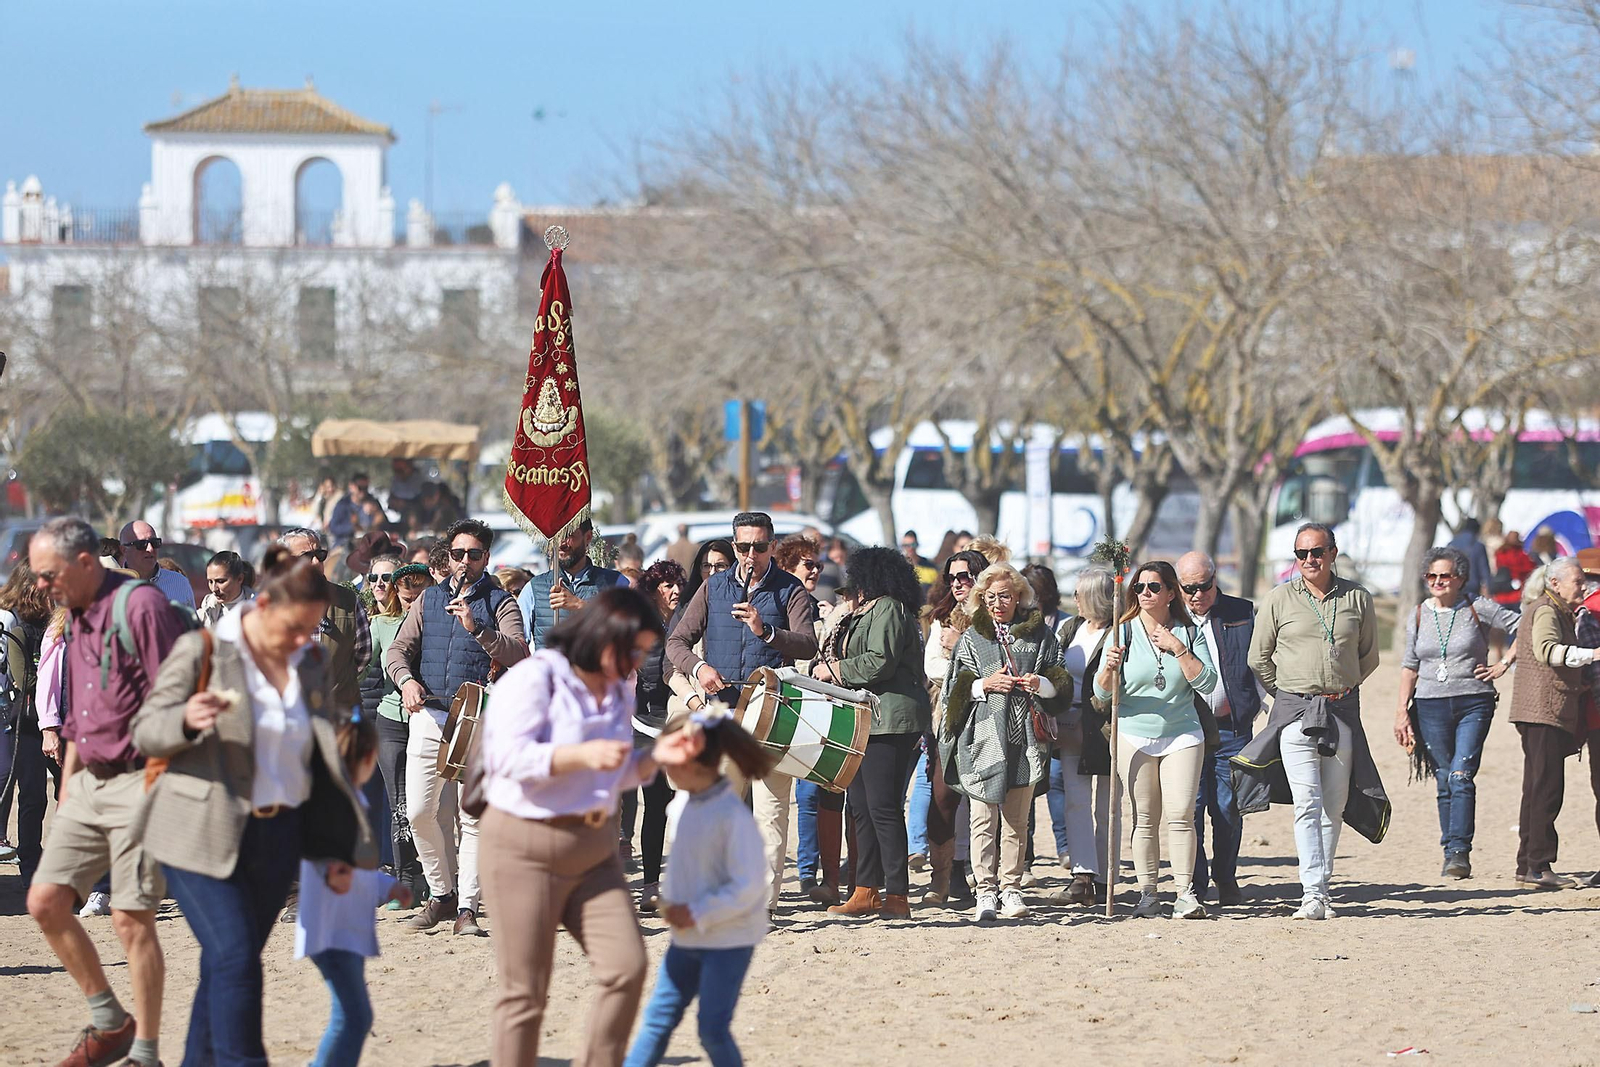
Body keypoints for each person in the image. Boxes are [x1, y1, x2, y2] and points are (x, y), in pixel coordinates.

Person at [132, 544, 378, 1067]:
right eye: (293, 627)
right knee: (237, 960)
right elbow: (147, 731)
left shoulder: (307, 661)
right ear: (263, 607)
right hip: (198, 834)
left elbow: (315, 760)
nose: (301, 640)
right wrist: (186, 720)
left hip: (276, 838)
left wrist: (337, 846)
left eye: (310, 629)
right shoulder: (203, 649)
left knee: (225, 966)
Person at [477, 587, 705, 1067]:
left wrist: (654, 760)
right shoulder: (536, 678)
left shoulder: (619, 686)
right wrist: (576, 756)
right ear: (602, 636)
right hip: (523, 846)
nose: (638, 662)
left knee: (626, 967)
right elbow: (503, 758)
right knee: (525, 993)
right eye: (633, 650)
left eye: (644, 652)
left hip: (595, 850)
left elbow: (614, 770)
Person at [26, 517, 188, 1067]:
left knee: (129, 917)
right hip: (88, 777)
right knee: (46, 901)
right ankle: (111, 1022)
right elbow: (80, 708)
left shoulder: (143, 607)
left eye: (49, 575)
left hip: (143, 779)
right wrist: (69, 784)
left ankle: (145, 1053)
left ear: (87, 564)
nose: (40, 586)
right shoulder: (72, 612)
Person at [665, 512, 819, 912]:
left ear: (772, 545)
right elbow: (677, 641)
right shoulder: (713, 588)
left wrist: (765, 630)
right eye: (744, 546)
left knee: (770, 811)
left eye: (761, 546)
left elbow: (808, 645)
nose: (752, 555)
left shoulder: (791, 590)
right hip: (721, 713)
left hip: (773, 711)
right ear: (733, 547)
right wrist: (699, 668)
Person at [387, 518, 529, 936]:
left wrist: (477, 629)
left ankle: (467, 906)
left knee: (473, 817)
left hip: (478, 717)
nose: (463, 561)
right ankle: (441, 894)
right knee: (418, 812)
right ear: (447, 557)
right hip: (430, 715)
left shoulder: (501, 602)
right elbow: (397, 649)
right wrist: (405, 680)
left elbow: (519, 652)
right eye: (456, 554)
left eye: (472, 554)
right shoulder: (428, 599)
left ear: (486, 557)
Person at [1237, 522, 1385, 920]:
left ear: (1333, 553)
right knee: (1307, 800)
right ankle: (1312, 893)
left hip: (1341, 712)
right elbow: (1258, 658)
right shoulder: (1278, 599)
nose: (1309, 560)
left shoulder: (1358, 598)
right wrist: (1286, 693)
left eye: (1317, 552)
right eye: (1301, 554)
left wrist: (1341, 687)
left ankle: (1323, 886)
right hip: (1295, 713)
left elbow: (1369, 656)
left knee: (1333, 804)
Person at [622, 712, 776, 1067]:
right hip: (688, 937)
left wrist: (695, 910)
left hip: (730, 940)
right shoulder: (679, 807)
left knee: (712, 1030)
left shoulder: (734, 819)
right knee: (658, 1020)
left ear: (695, 764)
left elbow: (748, 888)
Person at [940, 563, 1072, 922]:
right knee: (983, 819)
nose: (998, 603)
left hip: (1026, 738)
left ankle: (1011, 887)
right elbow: (953, 689)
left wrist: (1040, 685)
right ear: (981, 599)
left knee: (1016, 819)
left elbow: (1059, 681)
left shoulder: (1040, 635)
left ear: (1020, 597)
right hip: (983, 738)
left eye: (1006, 596)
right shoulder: (972, 638)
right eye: (991, 597)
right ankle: (985, 891)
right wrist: (984, 685)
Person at [1094, 559, 1218, 919]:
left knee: (1182, 815)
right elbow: (1100, 696)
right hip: (1134, 732)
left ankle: (1185, 893)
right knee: (1144, 817)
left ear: (1169, 593)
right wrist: (1108, 671)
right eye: (1139, 587)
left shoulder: (1188, 631)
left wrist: (1178, 649)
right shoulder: (1123, 632)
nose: (1145, 593)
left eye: (1153, 587)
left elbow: (1208, 684)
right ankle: (1148, 893)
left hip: (1182, 733)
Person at [811, 547, 930, 920]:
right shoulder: (868, 610)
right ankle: (866, 890)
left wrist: (836, 671)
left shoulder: (889, 609)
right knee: (860, 807)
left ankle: (897, 895)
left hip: (891, 720)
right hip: (868, 720)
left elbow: (880, 660)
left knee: (883, 808)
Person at [1393, 546, 1520, 880]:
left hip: (1474, 701)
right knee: (1443, 777)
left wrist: (1503, 664)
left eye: (1444, 575)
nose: (1437, 582)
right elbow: (1409, 665)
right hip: (1429, 704)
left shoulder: (1477, 607)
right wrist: (1401, 712)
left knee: (1461, 776)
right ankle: (1449, 849)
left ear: (1460, 578)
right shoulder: (1418, 613)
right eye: (1431, 576)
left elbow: (1524, 626)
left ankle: (1459, 853)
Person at [295, 713, 413, 1067]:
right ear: (364, 759)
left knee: (349, 1013)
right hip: (331, 930)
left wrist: (389, 886)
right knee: (354, 1016)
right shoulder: (331, 805)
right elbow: (313, 850)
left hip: (347, 929)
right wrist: (331, 869)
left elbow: (358, 871)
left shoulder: (352, 802)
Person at [1177, 551, 1266, 907]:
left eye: (1204, 586)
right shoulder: (1170, 620)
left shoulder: (1241, 613)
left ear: (1215, 580)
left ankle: (1226, 877)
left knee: (1228, 808)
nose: (1197, 595)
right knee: (1191, 808)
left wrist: (1259, 705)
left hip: (1232, 728)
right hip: (1186, 730)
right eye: (1188, 588)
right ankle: (1196, 883)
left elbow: (1261, 661)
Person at [1507, 558, 1594, 888]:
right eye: (1577, 580)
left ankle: (1526, 864)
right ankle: (1539, 866)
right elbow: (1548, 652)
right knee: (1546, 790)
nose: (1583, 586)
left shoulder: (1553, 608)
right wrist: (1593, 654)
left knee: (1535, 788)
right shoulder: (1546, 610)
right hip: (1543, 713)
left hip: (1541, 713)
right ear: (1555, 583)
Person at [775, 533, 846, 904]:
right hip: (780, 705)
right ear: (787, 567)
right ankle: (792, 873)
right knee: (783, 797)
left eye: (818, 565)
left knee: (811, 792)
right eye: (808, 565)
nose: (816, 571)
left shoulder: (825, 609)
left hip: (816, 709)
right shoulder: (778, 604)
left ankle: (810, 873)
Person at [919, 549, 988, 906]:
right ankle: (944, 876)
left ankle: (989, 878)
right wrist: (971, 673)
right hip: (948, 720)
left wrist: (960, 649)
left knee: (988, 801)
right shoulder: (941, 617)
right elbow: (933, 667)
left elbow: (1001, 666)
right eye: (952, 577)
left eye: (966, 575)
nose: (959, 583)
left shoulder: (998, 616)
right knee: (944, 797)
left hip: (993, 720)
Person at [363, 559, 431, 906]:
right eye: (405, 590)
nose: (410, 596)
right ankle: (404, 878)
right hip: (390, 719)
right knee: (399, 804)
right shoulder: (380, 624)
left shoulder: (438, 621)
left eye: (418, 589)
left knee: (428, 804)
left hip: (431, 718)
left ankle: (432, 876)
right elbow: (363, 667)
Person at [1053, 566, 1115, 907]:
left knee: (1107, 806)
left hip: (1104, 726)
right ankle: (1082, 874)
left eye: (1078, 593)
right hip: (1069, 722)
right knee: (1076, 801)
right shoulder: (1071, 628)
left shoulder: (1119, 633)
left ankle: (1105, 876)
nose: (1073, 599)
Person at [630, 559, 687, 913]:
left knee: (683, 803)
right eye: (666, 585)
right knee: (654, 806)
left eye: (677, 584)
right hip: (645, 725)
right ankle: (650, 884)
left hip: (683, 721)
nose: (674, 591)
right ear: (653, 590)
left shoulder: (687, 620)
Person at [0, 563, 53, 889]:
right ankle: (30, 862)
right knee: (33, 796)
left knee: (61, 796)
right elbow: (24, 680)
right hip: (30, 725)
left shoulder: (57, 627)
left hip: (59, 723)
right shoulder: (19, 630)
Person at [280, 528, 371, 719]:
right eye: (306, 557)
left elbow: (362, 654)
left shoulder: (346, 600)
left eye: (320, 555)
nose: (316, 563)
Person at [518, 519, 626, 651]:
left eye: (569, 535)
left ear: (587, 537)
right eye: (556, 536)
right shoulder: (534, 588)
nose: (561, 544)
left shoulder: (616, 583)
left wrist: (581, 606)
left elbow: (629, 633)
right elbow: (518, 644)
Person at [118, 520, 196, 608]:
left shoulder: (179, 583)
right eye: (141, 544)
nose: (150, 549)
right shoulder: (112, 587)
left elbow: (191, 620)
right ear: (124, 550)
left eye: (154, 543)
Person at [198, 550, 256, 629]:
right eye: (210, 581)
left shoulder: (257, 608)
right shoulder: (207, 608)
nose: (214, 589)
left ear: (240, 579)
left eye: (220, 581)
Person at [1448, 519, 1494, 599]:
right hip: (1472, 586)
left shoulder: (1451, 544)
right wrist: (1489, 588)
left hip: (1454, 584)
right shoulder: (1478, 545)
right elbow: (1484, 569)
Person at [1492, 530, 1537, 609]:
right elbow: (1530, 568)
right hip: (1515, 593)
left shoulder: (1500, 553)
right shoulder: (1522, 554)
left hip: (1504, 594)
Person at [326, 473, 372, 547]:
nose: (363, 491)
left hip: (368, 545)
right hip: (345, 544)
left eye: (365, 488)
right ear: (351, 486)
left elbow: (384, 524)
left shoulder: (372, 502)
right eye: (360, 487)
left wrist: (375, 513)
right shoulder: (343, 504)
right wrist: (352, 528)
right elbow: (333, 527)